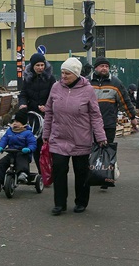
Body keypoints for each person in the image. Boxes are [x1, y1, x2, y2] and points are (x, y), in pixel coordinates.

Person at [43, 57, 107, 215]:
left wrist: (100, 137)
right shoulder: (56, 87)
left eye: (68, 74)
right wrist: (46, 133)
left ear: (77, 74)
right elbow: (49, 111)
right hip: (59, 138)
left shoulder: (88, 90)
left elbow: (95, 115)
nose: (63, 76)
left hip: (80, 139)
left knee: (81, 173)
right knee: (58, 170)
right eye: (62, 73)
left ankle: (81, 202)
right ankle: (59, 204)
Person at [88, 57, 138, 189]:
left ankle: (106, 177)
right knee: (91, 150)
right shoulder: (87, 82)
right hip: (89, 124)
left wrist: (132, 117)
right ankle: (92, 174)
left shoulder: (115, 83)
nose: (104, 68)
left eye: (106, 66)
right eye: (101, 66)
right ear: (96, 68)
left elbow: (125, 101)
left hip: (108, 123)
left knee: (107, 149)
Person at [18, 52, 56, 173]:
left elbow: (55, 96)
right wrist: (23, 103)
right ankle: (42, 172)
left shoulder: (50, 78)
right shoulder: (28, 78)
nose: (40, 68)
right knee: (36, 143)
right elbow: (23, 93)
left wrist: (48, 107)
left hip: (48, 115)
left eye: (42, 65)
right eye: (37, 65)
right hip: (33, 115)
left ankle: (52, 169)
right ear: (32, 66)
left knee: (49, 143)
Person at [0, 108, 37, 192]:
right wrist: (0, 147)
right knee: (1, 163)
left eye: (17, 122)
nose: (15, 124)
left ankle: (22, 174)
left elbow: (33, 144)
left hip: (22, 153)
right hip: (11, 153)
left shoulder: (27, 133)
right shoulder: (9, 131)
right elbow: (4, 139)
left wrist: (28, 149)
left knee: (21, 161)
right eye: (14, 122)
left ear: (23, 123)